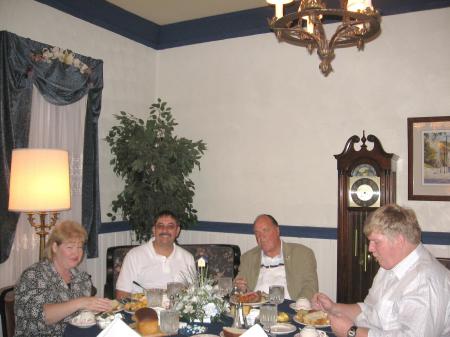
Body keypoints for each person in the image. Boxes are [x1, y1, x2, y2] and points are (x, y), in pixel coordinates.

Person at [312, 204, 450, 337]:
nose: (370, 248)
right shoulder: (389, 266)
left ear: (399, 241)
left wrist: (351, 332)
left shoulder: (425, 281)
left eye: (376, 242)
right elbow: (369, 311)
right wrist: (333, 308)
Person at [14, 220, 112, 337]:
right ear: (55, 247)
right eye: (70, 247)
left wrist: (100, 307)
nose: (76, 253)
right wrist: (81, 302)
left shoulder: (80, 277)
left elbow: (83, 315)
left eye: (79, 247)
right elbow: (43, 315)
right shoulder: (34, 275)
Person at [234, 214, 318, 300]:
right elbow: (238, 287)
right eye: (257, 233)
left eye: (265, 230)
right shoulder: (248, 258)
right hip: (256, 310)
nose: (261, 237)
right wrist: (242, 289)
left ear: (277, 230)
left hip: (289, 309)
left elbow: (310, 286)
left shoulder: (302, 254)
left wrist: (301, 305)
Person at [115, 210, 195, 299]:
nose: (165, 230)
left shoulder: (188, 258)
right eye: (160, 226)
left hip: (176, 311)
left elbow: (193, 295)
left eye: (170, 226)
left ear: (177, 231)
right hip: (143, 311)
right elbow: (121, 294)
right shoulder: (134, 256)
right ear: (154, 229)